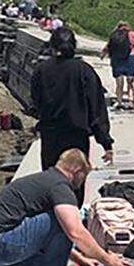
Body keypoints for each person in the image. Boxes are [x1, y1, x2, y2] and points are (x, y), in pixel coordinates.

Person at [0, 149, 131, 266]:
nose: (83, 181)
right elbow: (75, 232)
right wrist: (108, 260)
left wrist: (79, 259)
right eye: (84, 175)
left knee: (42, 261)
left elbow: (50, 236)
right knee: (67, 219)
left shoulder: (44, 180)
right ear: (77, 170)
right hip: (3, 244)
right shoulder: (60, 187)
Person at [30, 27, 114, 171]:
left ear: (52, 46)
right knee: (75, 178)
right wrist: (105, 142)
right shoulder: (84, 70)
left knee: (52, 179)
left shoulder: (41, 70)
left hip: (50, 136)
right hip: (77, 137)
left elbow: (35, 102)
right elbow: (96, 109)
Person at [101, 21, 134, 109]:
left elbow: (107, 46)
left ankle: (119, 101)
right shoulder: (131, 34)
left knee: (119, 82)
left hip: (116, 59)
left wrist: (103, 54)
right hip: (131, 58)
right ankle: (131, 101)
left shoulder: (113, 35)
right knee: (130, 81)